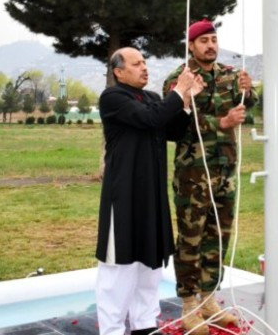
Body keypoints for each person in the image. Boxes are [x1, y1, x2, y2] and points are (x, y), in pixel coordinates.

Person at [96, 47, 203, 335]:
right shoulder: (113, 98)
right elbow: (150, 119)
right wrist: (178, 91)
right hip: (125, 196)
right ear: (119, 71)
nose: (144, 67)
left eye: (145, 61)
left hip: (152, 196)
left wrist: (186, 100)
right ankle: (113, 329)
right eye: (136, 63)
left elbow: (173, 131)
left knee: (151, 264)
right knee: (119, 269)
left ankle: (144, 325)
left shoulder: (153, 98)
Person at [163, 19, 257, 335]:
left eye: (214, 39)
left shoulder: (230, 75)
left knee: (218, 237)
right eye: (204, 41)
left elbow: (248, 111)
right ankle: (189, 303)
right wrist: (223, 122)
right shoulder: (179, 79)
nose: (211, 46)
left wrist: (249, 92)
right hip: (193, 174)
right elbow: (175, 125)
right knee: (191, 239)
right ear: (191, 45)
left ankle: (209, 300)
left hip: (225, 172)